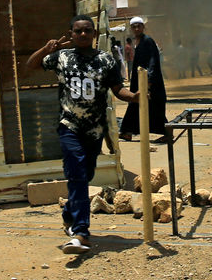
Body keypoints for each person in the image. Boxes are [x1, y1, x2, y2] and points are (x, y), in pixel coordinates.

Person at [25, 14, 139, 254]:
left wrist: (134, 97)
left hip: (95, 130)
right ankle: (81, 233)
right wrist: (45, 48)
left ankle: (69, 214)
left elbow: (118, 89)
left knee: (83, 176)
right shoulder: (62, 57)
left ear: (94, 34)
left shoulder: (106, 60)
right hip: (70, 127)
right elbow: (30, 66)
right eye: (78, 31)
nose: (83, 35)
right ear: (72, 34)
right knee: (77, 175)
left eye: (88, 31)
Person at [119, 17, 168, 143]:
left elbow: (153, 61)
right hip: (140, 81)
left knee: (153, 108)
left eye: (139, 26)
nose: (136, 28)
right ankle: (127, 132)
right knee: (136, 105)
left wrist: (149, 81)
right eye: (134, 26)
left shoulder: (148, 41)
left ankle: (127, 131)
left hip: (149, 82)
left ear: (143, 27)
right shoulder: (138, 41)